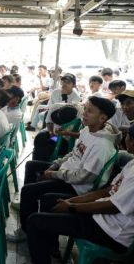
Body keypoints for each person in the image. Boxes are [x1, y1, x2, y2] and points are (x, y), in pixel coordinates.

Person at [25, 120, 134, 264]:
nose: (124, 139)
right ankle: (50, 248)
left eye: (127, 136)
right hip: (104, 218)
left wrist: (71, 207)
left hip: (112, 233)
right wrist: (72, 202)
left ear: (132, 142)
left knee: (34, 221)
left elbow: (112, 207)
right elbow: (108, 191)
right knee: (48, 200)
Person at [7, 96, 119, 244]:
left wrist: (54, 174)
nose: (84, 113)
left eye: (89, 111)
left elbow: (84, 177)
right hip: (67, 174)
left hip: (77, 187)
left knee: (29, 190)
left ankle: (27, 230)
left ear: (103, 117)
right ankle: (28, 206)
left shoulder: (103, 146)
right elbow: (73, 153)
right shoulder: (87, 130)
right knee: (32, 165)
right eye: (84, 109)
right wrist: (55, 165)